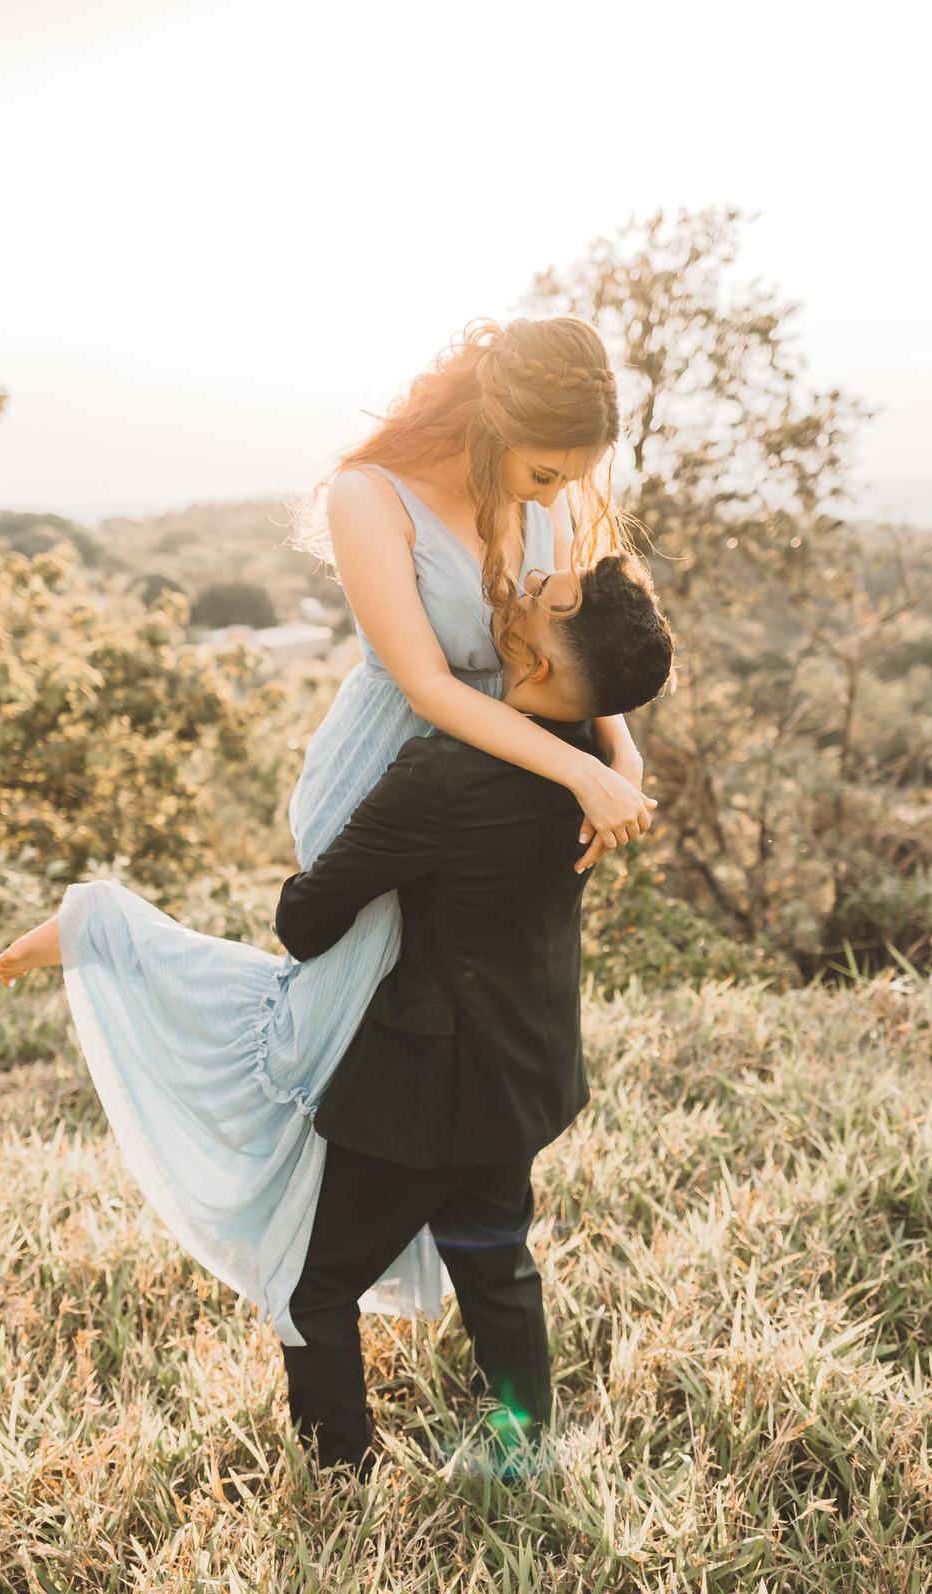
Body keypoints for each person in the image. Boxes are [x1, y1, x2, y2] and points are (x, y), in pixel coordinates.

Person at [0, 316, 650, 1341]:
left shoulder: (549, 491)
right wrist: (576, 765)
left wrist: (622, 751)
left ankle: (463, 1237)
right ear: (493, 421)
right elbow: (429, 684)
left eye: (574, 475)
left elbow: (584, 637)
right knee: (341, 1018)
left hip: (513, 772)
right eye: (545, 470)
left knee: (467, 1005)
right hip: (408, 773)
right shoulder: (368, 497)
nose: (557, 496)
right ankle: (113, 939)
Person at [272, 554, 674, 1470]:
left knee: (316, 1286)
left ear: (529, 665)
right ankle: (524, 1439)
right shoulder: (593, 764)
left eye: (542, 600)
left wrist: (322, 849)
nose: (523, 590)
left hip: (424, 1084)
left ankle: (340, 1476)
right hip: (524, 1064)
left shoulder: (442, 774)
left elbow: (305, 921)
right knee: (494, 1256)